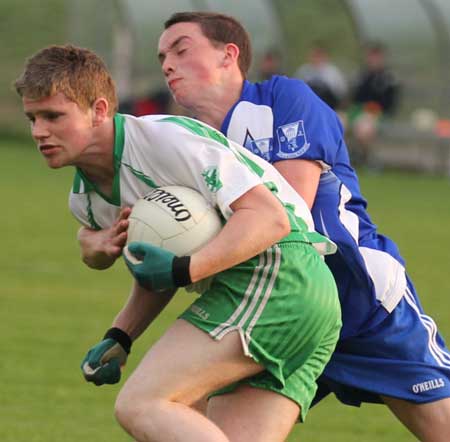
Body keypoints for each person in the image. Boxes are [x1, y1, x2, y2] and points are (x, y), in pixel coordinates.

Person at [15, 44, 341, 442]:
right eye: (32, 117)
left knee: (142, 404)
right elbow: (160, 268)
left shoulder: (163, 139)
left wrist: (185, 269)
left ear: (99, 110)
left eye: (53, 116)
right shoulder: (86, 199)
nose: (38, 132)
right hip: (295, 297)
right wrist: (120, 336)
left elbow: (270, 219)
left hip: (279, 274)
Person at [156, 11, 450, 441]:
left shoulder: (285, 98)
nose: (166, 63)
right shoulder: (191, 145)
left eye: (181, 50)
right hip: (281, 316)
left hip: (361, 304)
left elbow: (291, 210)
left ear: (228, 56)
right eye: (161, 55)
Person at [347, 42, 400, 166]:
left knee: (363, 127)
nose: (372, 60)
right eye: (371, 56)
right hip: (357, 111)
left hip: (377, 114)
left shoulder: (388, 78)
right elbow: (353, 98)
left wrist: (373, 110)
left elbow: (390, 104)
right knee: (337, 122)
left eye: (376, 57)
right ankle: (339, 159)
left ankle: (366, 159)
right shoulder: (361, 75)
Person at [294, 42, 348, 111]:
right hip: (309, 108)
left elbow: (341, 94)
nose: (316, 58)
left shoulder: (333, 72)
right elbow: (297, 93)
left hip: (330, 108)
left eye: (318, 55)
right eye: (314, 55)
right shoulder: (304, 71)